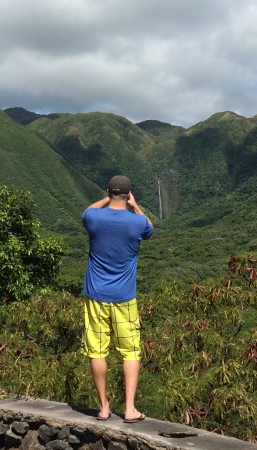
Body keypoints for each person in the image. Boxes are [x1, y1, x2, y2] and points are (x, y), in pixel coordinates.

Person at [81, 174, 154, 423]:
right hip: (124, 298)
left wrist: (106, 198)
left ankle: (103, 407)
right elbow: (149, 226)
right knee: (130, 351)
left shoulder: (94, 218)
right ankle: (130, 408)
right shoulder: (137, 223)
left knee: (97, 351)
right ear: (129, 194)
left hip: (95, 296)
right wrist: (133, 205)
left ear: (109, 192)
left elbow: (87, 211)